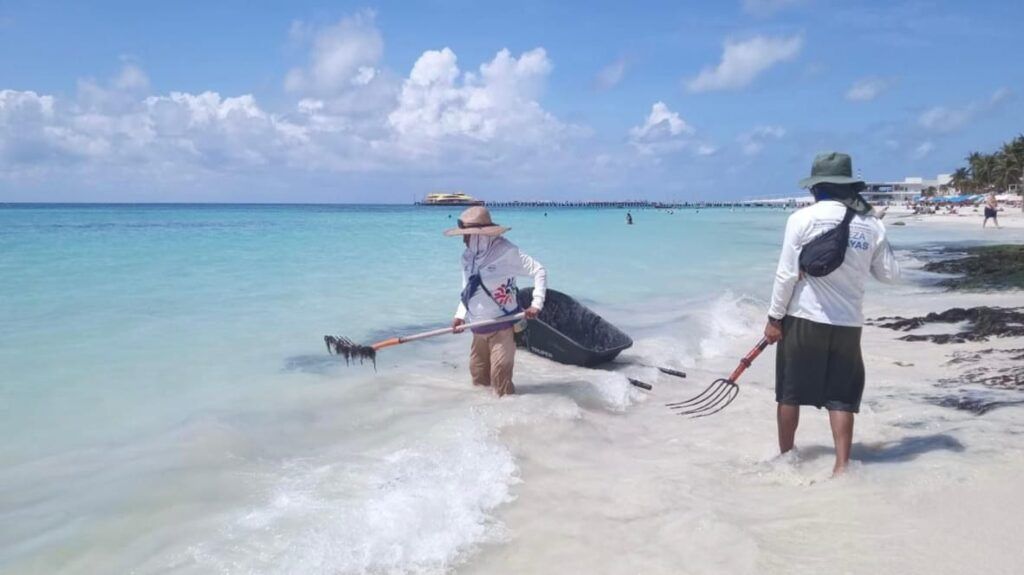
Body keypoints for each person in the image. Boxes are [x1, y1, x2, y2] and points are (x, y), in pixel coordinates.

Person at [764, 152, 901, 476]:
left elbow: (785, 275)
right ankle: (842, 466)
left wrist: (773, 319)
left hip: (803, 319)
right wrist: (877, 226)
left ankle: (787, 458)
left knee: (790, 392)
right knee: (841, 398)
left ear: (816, 188)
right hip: (848, 324)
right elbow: (891, 276)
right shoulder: (871, 224)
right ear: (849, 187)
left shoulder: (801, 219)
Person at [446, 206, 547, 397]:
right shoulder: (467, 258)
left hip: (502, 326)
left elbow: (539, 271)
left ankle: (512, 420)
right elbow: (467, 291)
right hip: (477, 328)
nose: (463, 239)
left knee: (501, 383)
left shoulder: (506, 252)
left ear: (479, 235)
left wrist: (536, 304)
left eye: (467, 234)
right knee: (478, 381)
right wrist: (459, 316)